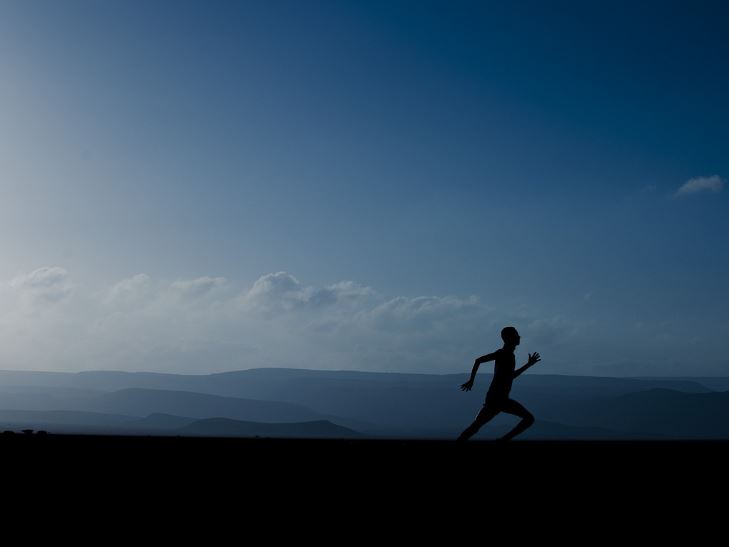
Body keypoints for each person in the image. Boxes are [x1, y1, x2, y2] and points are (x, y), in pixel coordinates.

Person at [457, 326, 541, 441]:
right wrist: (471, 380)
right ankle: (504, 440)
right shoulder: (504, 354)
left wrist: (471, 380)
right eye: (516, 335)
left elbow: (480, 362)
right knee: (529, 419)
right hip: (498, 399)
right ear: (508, 338)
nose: (519, 337)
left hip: (496, 398)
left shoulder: (506, 354)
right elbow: (480, 361)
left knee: (475, 427)